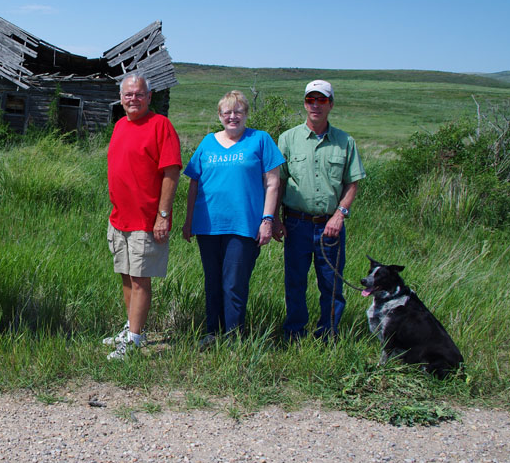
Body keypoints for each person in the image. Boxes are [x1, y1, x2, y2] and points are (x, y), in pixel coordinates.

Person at [181, 90, 283, 343]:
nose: (233, 117)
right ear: (220, 115)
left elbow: (273, 183)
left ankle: (233, 337)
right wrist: (188, 220)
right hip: (208, 224)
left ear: (246, 114)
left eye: (238, 111)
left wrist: (267, 220)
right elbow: (194, 183)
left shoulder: (260, 140)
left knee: (234, 284)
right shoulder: (207, 142)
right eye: (227, 112)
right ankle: (211, 333)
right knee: (212, 281)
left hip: (244, 225)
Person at [273, 80, 366, 340]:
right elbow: (279, 181)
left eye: (321, 100)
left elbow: (352, 182)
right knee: (295, 283)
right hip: (296, 224)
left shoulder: (345, 141)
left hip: (330, 226)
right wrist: (277, 219)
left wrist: (340, 215)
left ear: (331, 105)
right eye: (310, 100)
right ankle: (294, 333)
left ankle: (329, 335)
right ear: (304, 104)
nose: (315, 105)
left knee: (332, 285)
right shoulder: (288, 138)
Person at [103, 73, 181, 360]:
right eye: (128, 94)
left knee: (140, 279)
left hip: (146, 219)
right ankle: (132, 329)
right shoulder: (121, 125)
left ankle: (133, 341)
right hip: (120, 218)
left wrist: (163, 215)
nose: (133, 99)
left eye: (139, 94)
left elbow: (171, 172)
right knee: (125, 274)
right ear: (121, 98)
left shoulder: (161, 125)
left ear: (149, 97)